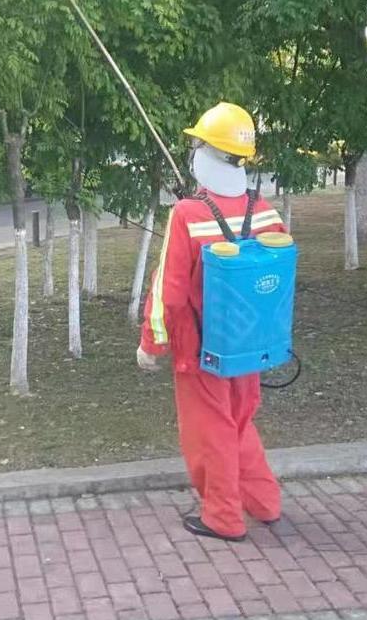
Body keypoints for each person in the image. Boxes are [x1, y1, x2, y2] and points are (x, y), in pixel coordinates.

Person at [138, 102, 287, 542]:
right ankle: (264, 502)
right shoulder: (265, 211)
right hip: (250, 345)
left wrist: (151, 343)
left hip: (200, 349)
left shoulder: (188, 214)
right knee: (239, 423)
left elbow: (168, 289)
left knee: (211, 431)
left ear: (206, 154)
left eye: (197, 145)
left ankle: (222, 517)